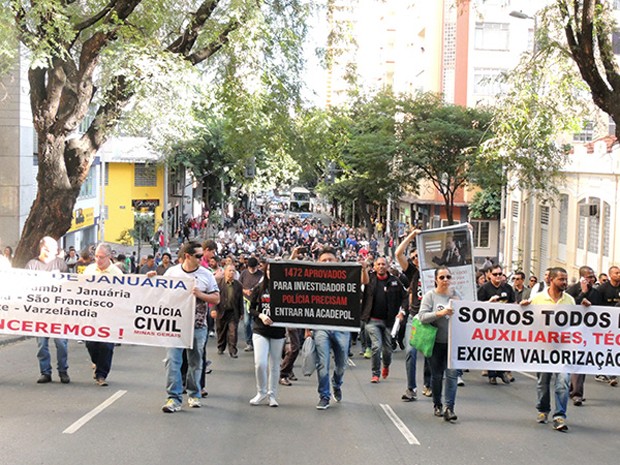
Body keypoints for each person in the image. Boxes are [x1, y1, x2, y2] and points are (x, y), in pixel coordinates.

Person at [162, 241, 220, 413]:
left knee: (195, 361)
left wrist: (200, 294)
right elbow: (158, 293)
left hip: (198, 325)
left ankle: (194, 393)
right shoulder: (172, 272)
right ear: (187, 256)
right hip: (175, 325)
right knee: (173, 361)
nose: (203, 258)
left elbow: (216, 298)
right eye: (198, 256)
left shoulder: (206, 275)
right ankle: (173, 398)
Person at [310, 246, 369, 409]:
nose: (328, 262)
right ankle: (324, 395)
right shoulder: (312, 279)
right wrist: (307, 329)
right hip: (321, 326)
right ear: (317, 263)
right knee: (322, 362)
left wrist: (363, 269)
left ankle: (336, 383)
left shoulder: (345, 276)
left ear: (337, 261)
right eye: (324, 260)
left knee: (342, 363)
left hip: (342, 326)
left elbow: (364, 281)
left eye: (330, 259)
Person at [523, 267, 575, 432]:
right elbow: (526, 322)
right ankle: (543, 409)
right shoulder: (537, 299)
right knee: (543, 382)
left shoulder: (569, 301)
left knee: (563, 382)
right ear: (551, 280)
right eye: (561, 279)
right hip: (543, 349)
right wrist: (522, 308)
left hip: (562, 349)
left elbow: (574, 324)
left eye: (566, 279)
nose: (565, 283)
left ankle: (560, 415)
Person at [418, 266, 461, 421]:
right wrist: (439, 313)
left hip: (452, 342)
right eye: (442, 277)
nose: (445, 280)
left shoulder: (456, 296)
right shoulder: (430, 296)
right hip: (435, 343)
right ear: (436, 280)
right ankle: (437, 404)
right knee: (437, 376)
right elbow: (422, 316)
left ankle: (450, 408)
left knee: (452, 375)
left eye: (448, 277)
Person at [25, 236, 70, 384]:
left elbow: (68, 287)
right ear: (43, 249)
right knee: (42, 344)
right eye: (53, 249)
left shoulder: (61, 264)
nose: (56, 252)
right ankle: (45, 372)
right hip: (40, 313)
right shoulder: (32, 265)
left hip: (58, 312)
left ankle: (63, 371)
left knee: (61, 343)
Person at [395, 229, 432, 401]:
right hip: (415, 318)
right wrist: (411, 236)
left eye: (420, 256)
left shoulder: (436, 272)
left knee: (430, 354)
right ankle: (411, 388)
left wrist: (465, 233)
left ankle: (429, 384)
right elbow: (398, 253)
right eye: (414, 257)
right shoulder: (412, 272)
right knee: (411, 350)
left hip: (433, 318)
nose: (417, 259)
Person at [361, 256, 407, 384]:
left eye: (383, 264)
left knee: (387, 350)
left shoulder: (395, 281)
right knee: (376, 346)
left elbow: (405, 297)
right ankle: (375, 373)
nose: (381, 266)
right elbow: (363, 281)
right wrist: (363, 268)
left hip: (389, 322)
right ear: (375, 266)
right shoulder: (370, 279)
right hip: (372, 320)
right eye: (378, 264)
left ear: (387, 266)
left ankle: (386, 365)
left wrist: (402, 311)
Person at [83, 243, 123, 386]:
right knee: (91, 343)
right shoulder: (89, 271)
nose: (98, 260)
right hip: (91, 315)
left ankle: (101, 375)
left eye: (101, 257)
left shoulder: (117, 274)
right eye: (96, 257)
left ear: (109, 257)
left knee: (106, 346)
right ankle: (96, 361)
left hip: (109, 316)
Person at [248, 263, 285, 407]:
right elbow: (251, 308)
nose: (271, 272)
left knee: (275, 365)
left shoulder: (285, 289)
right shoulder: (259, 287)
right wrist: (261, 315)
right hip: (260, 330)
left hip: (278, 331)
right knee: (260, 363)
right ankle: (261, 391)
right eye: (269, 269)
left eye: (274, 270)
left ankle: (272, 394)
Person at [566, 265, 603, 405]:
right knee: (572, 363)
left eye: (593, 276)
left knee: (580, 362)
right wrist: (582, 294)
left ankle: (576, 392)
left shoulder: (596, 292)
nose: (592, 279)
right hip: (571, 332)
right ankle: (573, 390)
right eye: (589, 277)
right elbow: (568, 306)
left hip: (587, 332)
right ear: (582, 277)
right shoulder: (572, 290)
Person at [477, 264, 515, 384]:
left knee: (503, 349)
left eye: (500, 274)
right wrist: (489, 302)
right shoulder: (484, 288)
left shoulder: (508, 288)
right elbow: (477, 306)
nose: (498, 276)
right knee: (492, 349)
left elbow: (514, 304)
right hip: (489, 325)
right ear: (489, 275)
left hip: (505, 325)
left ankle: (502, 372)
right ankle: (492, 374)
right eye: (495, 274)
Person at [593, 265, 620, 387]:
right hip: (604, 324)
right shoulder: (602, 289)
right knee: (604, 348)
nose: (619, 275)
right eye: (616, 273)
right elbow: (596, 305)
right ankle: (601, 371)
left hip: (618, 324)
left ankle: (612, 373)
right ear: (610, 275)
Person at [212, 264, 243, 358]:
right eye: (229, 270)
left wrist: (242, 312)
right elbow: (214, 297)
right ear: (225, 272)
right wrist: (213, 309)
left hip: (233, 312)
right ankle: (221, 347)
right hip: (221, 310)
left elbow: (240, 300)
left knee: (233, 332)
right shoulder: (219, 284)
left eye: (233, 271)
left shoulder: (238, 285)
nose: (231, 273)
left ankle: (233, 350)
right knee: (221, 330)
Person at [239, 256, 264, 352]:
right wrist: (244, 291)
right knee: (246, 322)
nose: (252, 270)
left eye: (254, 268)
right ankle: (249, 342)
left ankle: (256, 341)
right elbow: (239, 285)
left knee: (255, 322)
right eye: (250, 268)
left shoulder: (261, 275)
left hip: (257, 301)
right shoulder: (244, 273)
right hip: (246, 300)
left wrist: (255, 291)